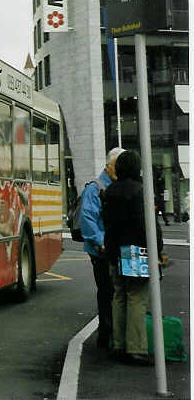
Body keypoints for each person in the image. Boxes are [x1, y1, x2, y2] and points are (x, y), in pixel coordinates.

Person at [103, 150, 150, 365]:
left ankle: (119, 344)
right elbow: (144, 225)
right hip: (136, 251)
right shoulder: (140, 191)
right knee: (136, 297)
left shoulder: (110, 191)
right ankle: (137, 348)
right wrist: (157, 248)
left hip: (115, 250)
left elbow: (108, 224)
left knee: (119, 295)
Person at [79, 147, 123, 349]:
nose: (119, 170)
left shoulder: (117, 185)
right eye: (117, 165)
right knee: (106, 291)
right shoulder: (95, 188)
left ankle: (115, 333)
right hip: (101, 250)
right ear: (108, 166)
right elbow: (87, 218)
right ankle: (105, 335)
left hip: (115, 247)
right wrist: (102, 242)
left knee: (115, 291)